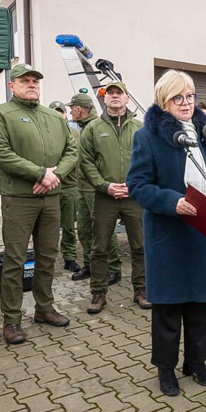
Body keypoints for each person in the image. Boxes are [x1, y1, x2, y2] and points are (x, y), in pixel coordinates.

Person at [127, 69, 206, 396]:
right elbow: (137, 185)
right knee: (169, 307)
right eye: (178, 97)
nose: (186, 102)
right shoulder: (147, 137)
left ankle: (196, 362)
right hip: (169, 232)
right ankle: (166, 368)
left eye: (190, 96)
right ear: (164, 101)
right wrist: (172, 201)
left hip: (203, 231)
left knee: (200, 304)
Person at [0, 64, 78, 345]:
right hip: (19, 199)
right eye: (25, 80)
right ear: (12, 86)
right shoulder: (1, 114)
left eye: (35, 80)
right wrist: (39, 173)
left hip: (50, 198)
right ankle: (11, 319)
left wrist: (55, 175)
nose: (32, 84)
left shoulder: (53, 116)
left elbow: (72, 150)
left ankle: (44, 309)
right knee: (15, 260)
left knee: (48, 256)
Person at [79, 80, 150, 313]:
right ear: (105, 99)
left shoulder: (140, 128)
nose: (115, 96)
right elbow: (86, 162)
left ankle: (141, 289)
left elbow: (149, 161)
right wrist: (104, 185)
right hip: (105, 197)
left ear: (127, 98)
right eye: (110, 93)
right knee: (99, 247)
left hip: (134, 197)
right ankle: (98, 293)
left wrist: (135, 185)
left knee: (140, 246)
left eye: (119, 93)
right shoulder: (93, 128)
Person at [66, 93, 122, 284]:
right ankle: (90, 265)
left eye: (72, 108)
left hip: (94, 188)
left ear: (79, 109)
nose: (70, 111)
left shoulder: (94, 127)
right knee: (83, 229)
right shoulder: (84, 127)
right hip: (82, 187)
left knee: (102, 229)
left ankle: (114, 268)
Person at [50, 100, 82, 273]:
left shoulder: (76, 133)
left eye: (60, 111)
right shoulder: (45, 133)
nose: (58, 114)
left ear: (66, 114)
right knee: (49, 226)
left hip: (70, 186)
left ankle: (69, 257)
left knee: (69, 226)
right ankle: (46, 259)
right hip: (49, 187)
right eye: (54, 111)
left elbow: (80, 157)